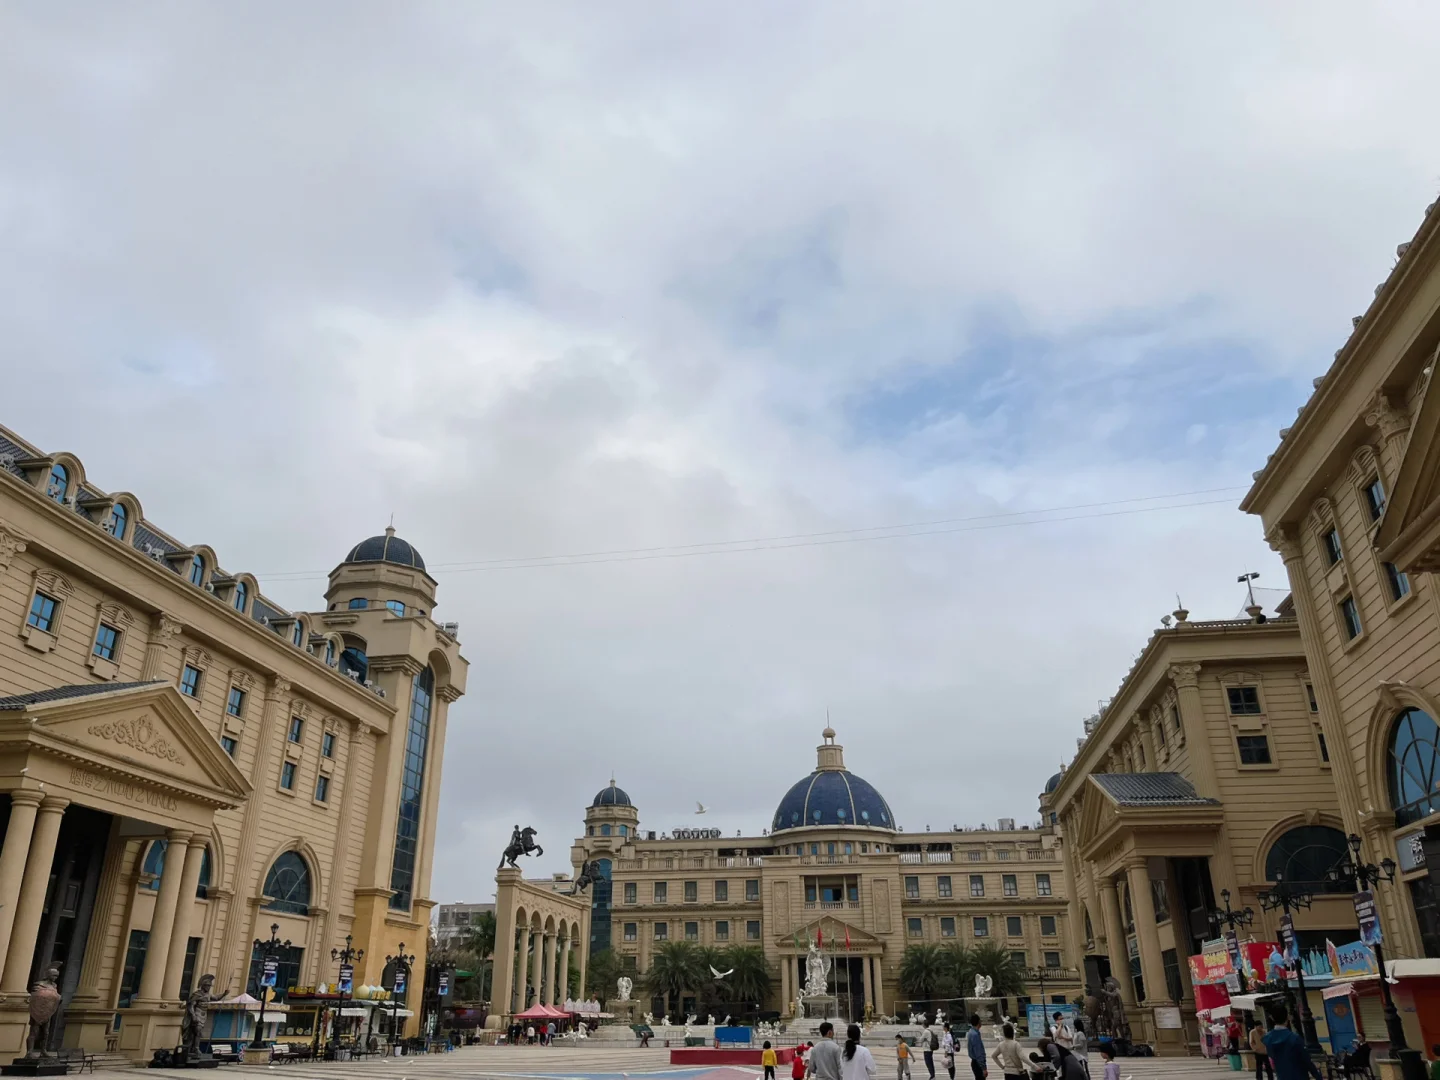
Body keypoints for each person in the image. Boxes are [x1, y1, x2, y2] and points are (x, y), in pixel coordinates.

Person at [1262, 1013, 1321, 1080]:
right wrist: (1317, 1075)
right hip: (1299, 1075)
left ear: (1272, 1019)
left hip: (1282, 1076)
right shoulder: (1294, 1038)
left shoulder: (1268, 1038)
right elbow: (1306, 1059)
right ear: (1287, 1019)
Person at [967, 1015, 987, 1080]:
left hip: (975, 1062)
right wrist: (983, 1068)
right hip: (978, 1064)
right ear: (978, 1022)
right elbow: (978, 1052)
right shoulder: (975, 1035)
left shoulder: (971, 1032)